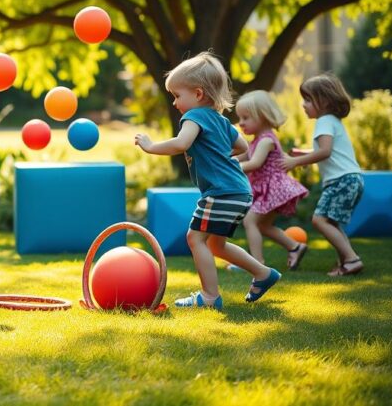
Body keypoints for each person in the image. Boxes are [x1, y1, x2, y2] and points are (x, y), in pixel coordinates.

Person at [135, 52, 280, 309]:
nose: (175, 103)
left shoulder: (194, 117)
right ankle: (263, 273)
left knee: (195, 238)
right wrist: (220, 157)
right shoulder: (221, 121)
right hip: (239, 191)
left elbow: (181, 143)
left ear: (198, 94)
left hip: (221, 192)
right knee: (216, 244)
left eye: (177, 96)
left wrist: (150, 146)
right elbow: (242, 146)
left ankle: (210, 297)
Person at [281, 74, 365, 276]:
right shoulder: (332, 121)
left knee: (319, 221)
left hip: (341, 181)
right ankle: (347, 261)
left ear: (325, 101)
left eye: (308, 100)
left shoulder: (324, 121)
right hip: (351, 179)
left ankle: (351, 260)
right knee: (331, 223)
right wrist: (303, 153)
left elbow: (325, 152)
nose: (303, 104)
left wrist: (295, 162)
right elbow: (327, 150)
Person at [233, 91, 310, 270]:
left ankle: (257, 263)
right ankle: (295, 247)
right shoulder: (257, 141)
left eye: (246, 117)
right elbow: (241, 157)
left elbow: (254, 163)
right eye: (240, 118)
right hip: (267, 189)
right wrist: (225, 161)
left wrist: (230, 168)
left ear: (263, 116)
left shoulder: (266, 140)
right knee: (264, 226)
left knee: (250, 222)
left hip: (273, 188)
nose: (241, 122)